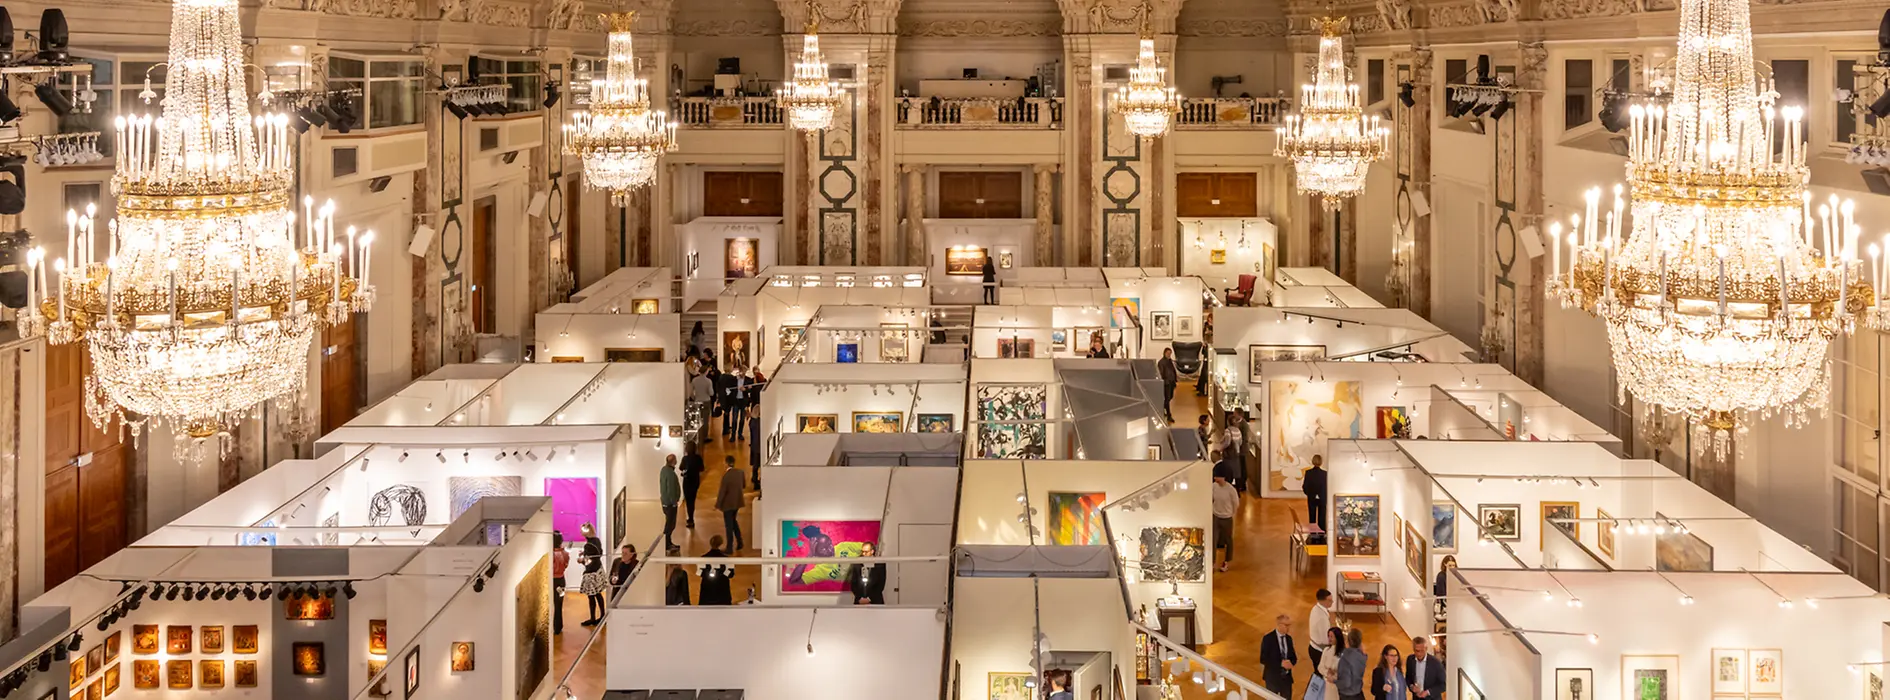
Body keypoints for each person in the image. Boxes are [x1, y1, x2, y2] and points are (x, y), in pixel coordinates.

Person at [1259, 614, 1297, 698]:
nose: (1288, 628)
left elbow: (1294, 657)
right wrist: (1280, 663)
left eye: (1289, 625)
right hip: (1272, 678)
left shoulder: (1289, 639)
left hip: (1286, 679)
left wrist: (1291, 663)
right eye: (1286, 625)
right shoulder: (1268, 639)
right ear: (1279, 625)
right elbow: (1263, 659)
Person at [715, 456, 746, 553]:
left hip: (728, 504)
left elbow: (722, 492)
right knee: (733, 521)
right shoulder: (740, 472)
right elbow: (744, 485)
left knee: (729, 526)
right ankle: (740, 541)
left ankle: (729, 547)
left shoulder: (726, 476)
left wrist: (717, 505)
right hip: (737, 502)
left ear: (726, 463)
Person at [577, 524, 606, 626]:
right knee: (598, 594)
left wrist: (581, 560)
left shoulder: (588, 545)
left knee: (591, 596)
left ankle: (593, 618)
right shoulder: (596, 540)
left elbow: (588, 562)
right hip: (598, 570)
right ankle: (603, 616)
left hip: (591, 573)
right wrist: (584, 553)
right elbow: (598, 554)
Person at [1211, 474, 1238, 572]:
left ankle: (1226, 561)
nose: (1215, 478)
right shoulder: (1214, 486)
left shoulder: (1231, 490)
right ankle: (1212, 562)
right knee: (1213, 539)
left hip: (1227, 518)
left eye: (1217, 476)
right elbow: (1211, 498)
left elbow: (1236, 503)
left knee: (1228, 540)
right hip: (1215, 516)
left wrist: (1231, 514)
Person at [698, 537, 733, 605]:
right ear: (721, 544)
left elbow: (701, 573)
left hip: (707, 594)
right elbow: (731, 574)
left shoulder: (703, 558)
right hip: (722, 594)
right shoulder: (726, 559)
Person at [679, 441, 705, 528]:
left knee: (688, 501)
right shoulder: (698, 458)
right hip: (695, 481)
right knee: (692, 501)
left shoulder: (685, 458)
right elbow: (702, 468)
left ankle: (690, 519)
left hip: (687, 482)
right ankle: (691, 518)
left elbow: (681, 468)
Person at [658, 454, 681, 552]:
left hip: (665, 502)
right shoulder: (671, 474)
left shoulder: (664, 470)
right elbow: (671, 489)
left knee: (669, 523)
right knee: (670, 525)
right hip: (670, 504)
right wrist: (674, 502)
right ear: (673, 461)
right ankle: (667, 544)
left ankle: (668, 543)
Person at [1315, 626, 1344, 700]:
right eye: (1328, 636)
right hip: (1326, 684)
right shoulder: (1326, 650)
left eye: (1331, 636)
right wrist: (1327, 673)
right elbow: (1320, 667)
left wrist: (1334, 675)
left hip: (1337, 685)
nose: (1329, 639)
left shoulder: (1343, 653)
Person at [1337, 629, 1368, 700]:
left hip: (1347, 696)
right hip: (1358, 693)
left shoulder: (1345, 658)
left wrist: (1334, 681)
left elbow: (1346, 683)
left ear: (1347, 641)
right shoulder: (1362, 657)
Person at [1309, 589, 1336, 668]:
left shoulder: (1315, 608)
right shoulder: (1322, 618)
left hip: (1313, 646)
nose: (1332, 602)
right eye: (1330, 600)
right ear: (1323, 601)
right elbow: (1325, 640)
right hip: (1319, 651)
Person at [1303, 454, 1330, 531]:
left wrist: (1310, 494)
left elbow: (1305, 486)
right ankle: (1322, 534)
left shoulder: (1308, 473)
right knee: (1322, 518)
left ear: (1313, 461)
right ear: (1321, 462)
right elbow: (1327, 487)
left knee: (1312, 518)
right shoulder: (1325, 474)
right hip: (1322, 498)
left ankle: (1313, 533)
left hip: (1311, 498)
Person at [550, 532, 569, 633]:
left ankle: (554, 627)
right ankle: (558, 627)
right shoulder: (565, 553)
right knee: (559, 605)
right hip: (561, 580)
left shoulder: (551, 554)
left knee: (551, 604)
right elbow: (566, 565)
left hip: (553, 581)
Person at [1157, 347, 1179, 423]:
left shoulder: (1170, 361)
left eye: (1170, 353)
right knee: (1167, 398)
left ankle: (1162, 408)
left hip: (1171, 382)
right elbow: (1161, 373)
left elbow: (1173, 370)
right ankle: (1169, 415)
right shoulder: (1161, 362)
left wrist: (1175, 380)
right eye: (1168, 353)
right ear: (1164, 353)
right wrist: (1164, 381)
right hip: (1166, 383)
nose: (1169, 355)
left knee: (1170, 397)